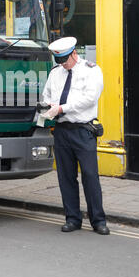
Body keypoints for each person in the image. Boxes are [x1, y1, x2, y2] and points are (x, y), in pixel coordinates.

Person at [43, 37, 110, 236]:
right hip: (62, 130)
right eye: (59, 61)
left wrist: (62, 107)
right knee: (66, 178)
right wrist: (48, 106)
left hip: (83, 130)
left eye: (65, 60)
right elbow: (46, 95)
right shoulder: (55, 73)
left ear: (74, 53)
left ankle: (98, 220)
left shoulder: (91, 70)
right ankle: (72, 219)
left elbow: (90, 99)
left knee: (90, 176)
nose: (63, 64)